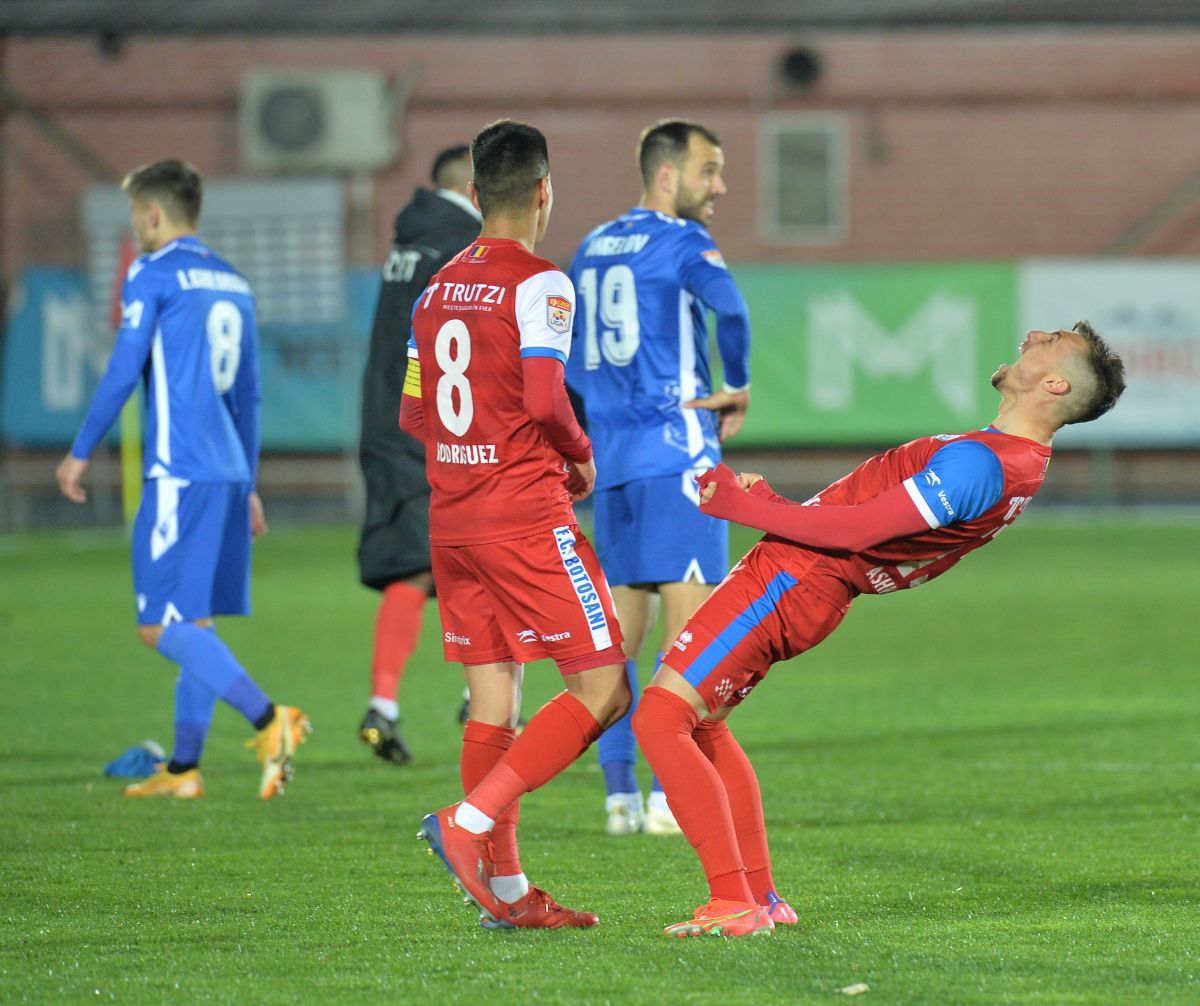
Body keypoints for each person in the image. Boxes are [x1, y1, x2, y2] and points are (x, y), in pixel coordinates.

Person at [631, 322, 1127, 937]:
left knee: (659, 719)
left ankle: (733, 902)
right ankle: (760, 896)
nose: (1031, 333)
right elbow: (869, 531)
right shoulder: (1012, 461)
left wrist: (743, 507)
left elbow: (862, 533)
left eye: (1050, 341)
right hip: (803, 581)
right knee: (702, 727)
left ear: (1054, 384)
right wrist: (784, 510)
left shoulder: (982, 464)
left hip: (790, 584)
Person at [406, 120, 631, 930]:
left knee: (492, 702)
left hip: (454, 520)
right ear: (544, 191)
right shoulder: (542, 284)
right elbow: (544, 399)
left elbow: (413, 410)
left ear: (472, 195)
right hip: (524, 516)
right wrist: (577, 456)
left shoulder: (434, 292)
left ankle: (505, 893)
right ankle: (467, 829)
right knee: (605, 689)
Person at [55, 159, 309, 801]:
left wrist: (81, 451)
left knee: (156, 625)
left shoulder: (153, 272)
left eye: (138, 216)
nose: (137, 228)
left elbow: (122, 369)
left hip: (178, 471)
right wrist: (249, 483)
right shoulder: (234, 282)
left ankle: (269, 719)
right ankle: (182, 769)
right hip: (225, 472)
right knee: (192, 622)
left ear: (154, 214)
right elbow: (249, 397)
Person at [566, 119, 752, 835]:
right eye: (710, 170)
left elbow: (577, 360)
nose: (720, 186)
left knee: (618, 643)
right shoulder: (683, 242)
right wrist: (736, 382)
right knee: (696, 642)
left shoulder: (590, 247)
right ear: (667, 175)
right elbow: (729, 308)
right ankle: (672, 799)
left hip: (613, 462)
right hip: (677, 453)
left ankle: (619, 797)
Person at [356, 144, 481, 764]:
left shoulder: (411, 239)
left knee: (429, 562)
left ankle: (423, 700)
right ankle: (415, 702)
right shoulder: (465, 242)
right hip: (430, 427)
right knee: (450, 560)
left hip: (384, 422)